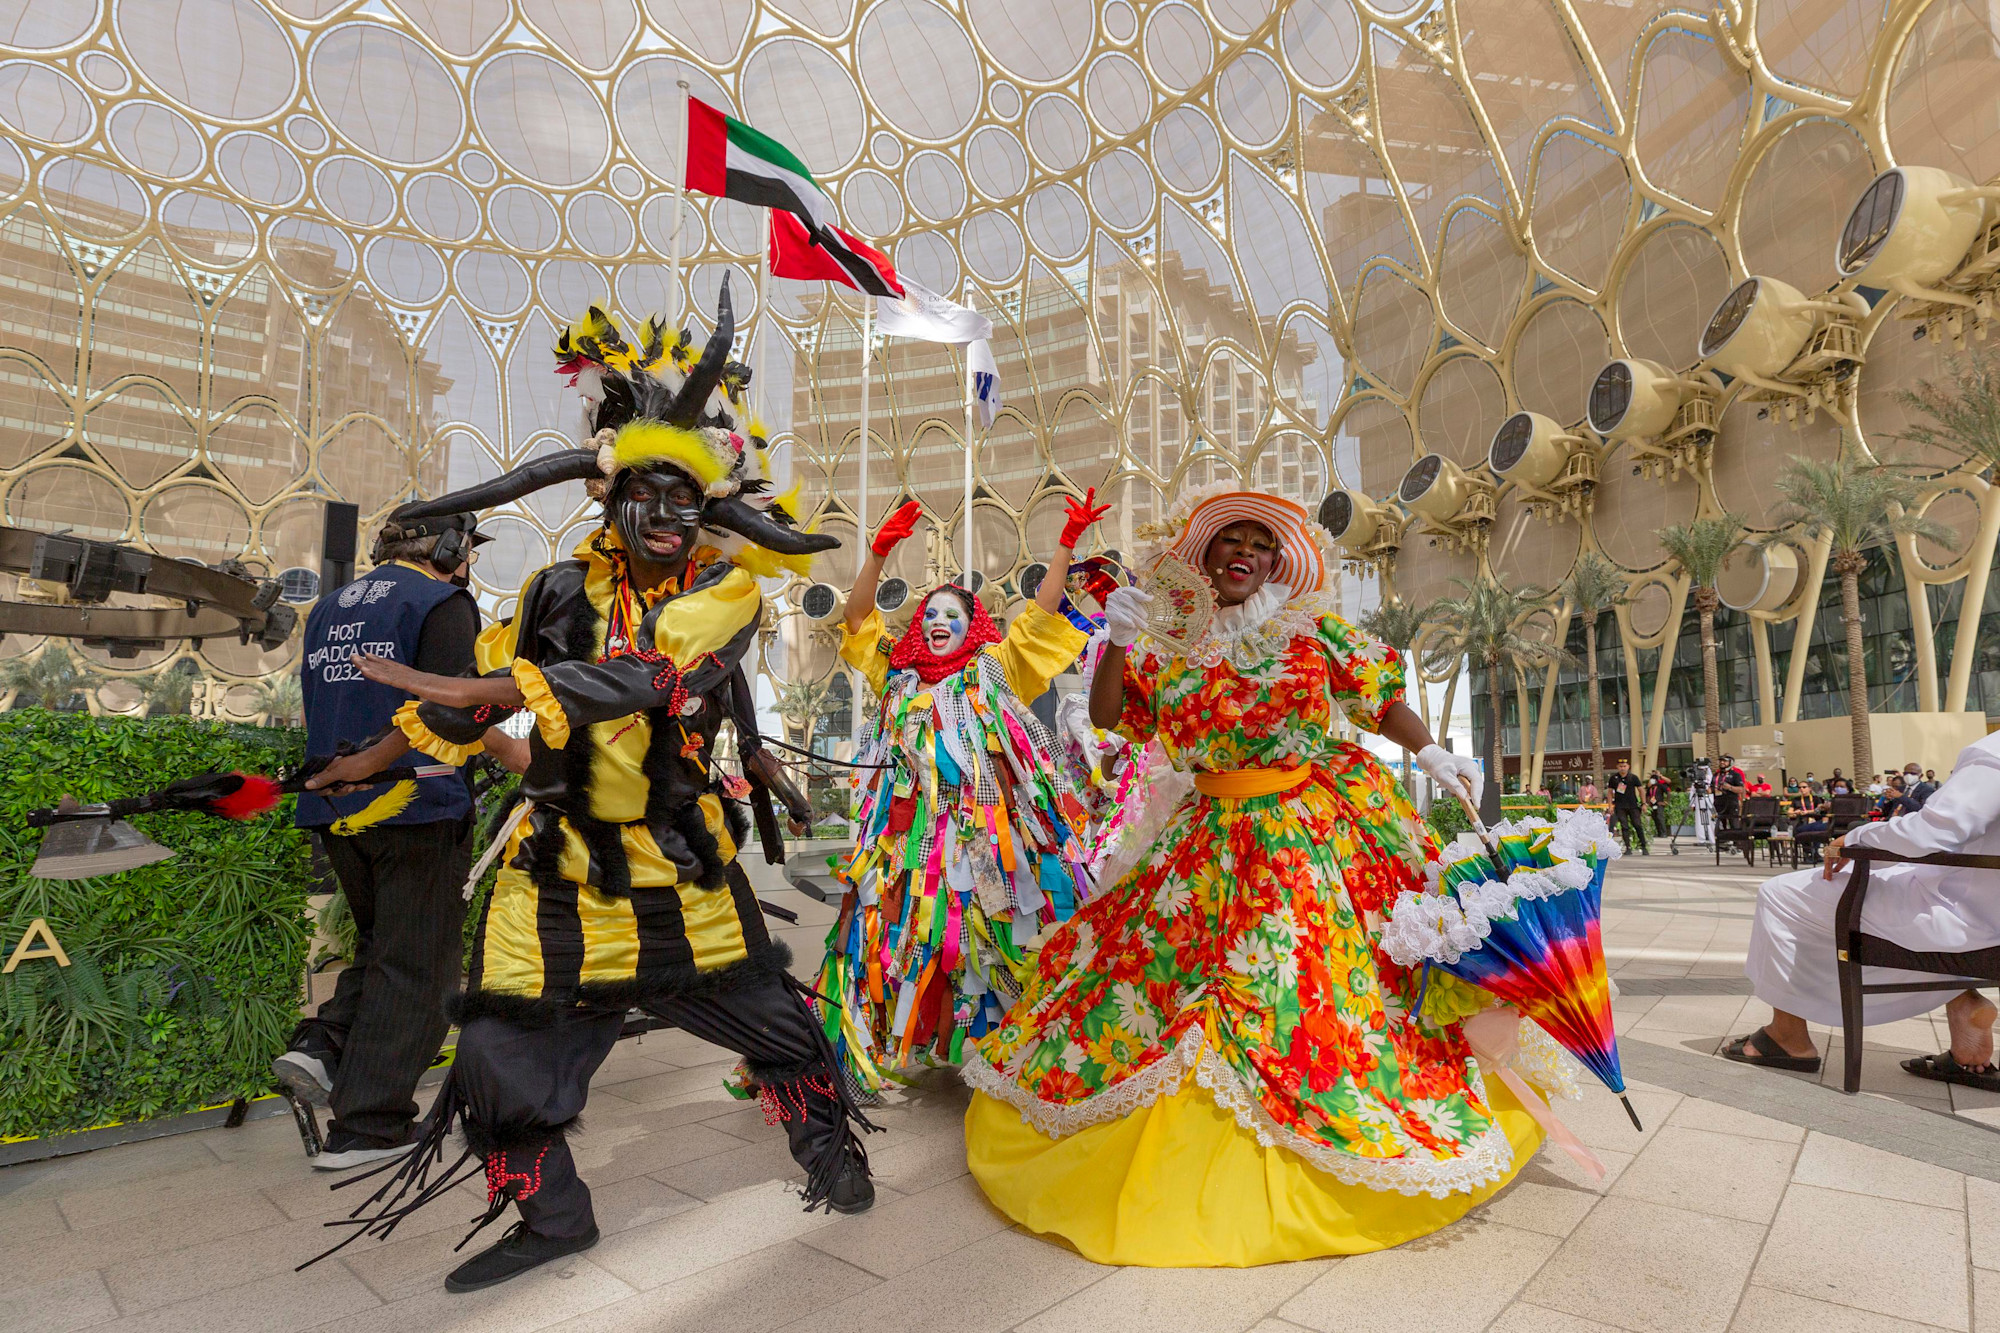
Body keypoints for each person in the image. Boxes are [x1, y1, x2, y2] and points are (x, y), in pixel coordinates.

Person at [307, 285, 874, 1293]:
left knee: (779, 1029)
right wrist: (388, 755)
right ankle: (553, 1217)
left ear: (705, 510)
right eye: (643, 494)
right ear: (607, 500)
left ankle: (829, 1148)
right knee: (492, 1051)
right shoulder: (550, 591)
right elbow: (489, 715)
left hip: (682, 865)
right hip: (559, 871)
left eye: (684, 498)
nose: (665, 513)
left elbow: (656, 674)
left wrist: (484, 689)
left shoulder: (725, 588)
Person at [959, 485, 1547, 1267]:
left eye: (1257, 543)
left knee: (1311, 990)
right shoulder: (1170, 644)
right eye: (1226, 541)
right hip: (1206, 839)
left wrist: (1432, 753)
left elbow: (1379, 702)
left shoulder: (1310, 631)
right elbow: (1107, 718)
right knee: (1158, 985)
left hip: (1312, 835)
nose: (1242, 552)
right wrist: (1117, 643)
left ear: (1275, 560)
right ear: (1201, 561)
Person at [812, 494, 1096, 1094]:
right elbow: (859, 622)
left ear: (974, 627)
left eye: (953, 615)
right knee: (895, 941)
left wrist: (1066, 542)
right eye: (931, 615)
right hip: (905, 849)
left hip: (985, 846)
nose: (939, 623)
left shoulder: (997, 668)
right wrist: (877, 554)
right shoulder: (898, 673)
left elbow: (1040, 617)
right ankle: (892, 1042)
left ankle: (1009, 1047)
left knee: (989, 943)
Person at [272, 512, 524, 1171]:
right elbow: (449, 710)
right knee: (423, 969)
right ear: (447, 548)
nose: (469, 559)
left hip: (334, 808)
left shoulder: (329, 608)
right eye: (466, 548)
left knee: (389, 948)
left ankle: (321, 1044)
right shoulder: (442, 601)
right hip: (414, 802)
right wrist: (517, 749)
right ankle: (369, 1127)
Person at [1728, 730, 2000, 1084]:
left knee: (1781, 894)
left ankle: (1786, 1036)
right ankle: (1964, 1007)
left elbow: (1935, 831)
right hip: (1986, 911)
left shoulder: (1994, 756)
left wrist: (1854, 839)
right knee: (1885, 892)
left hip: (1965, 919)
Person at [1605, 758, 1649, 855]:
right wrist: (1610, 806)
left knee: (1637, 825)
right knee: (1624, 827)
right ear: (1617, 767)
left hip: (1633, 805)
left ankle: (1644, 846)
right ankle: (1628, 848)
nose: (1623, 768)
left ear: (1628, 767)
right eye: (1621, 766)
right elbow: (1609, 792)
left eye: (1624, 766)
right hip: (1620, 806)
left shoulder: (1633, 777)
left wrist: (1644, 803)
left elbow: (1641, 790)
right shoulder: (1614, 778)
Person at [1648, 768, 1672, 837]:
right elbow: (1647, 795)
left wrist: (1666, 802)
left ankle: (1664, 833)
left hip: (1659, 804)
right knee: (1655, 818)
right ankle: (1659, 832)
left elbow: (1668, 792)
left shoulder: (1660, 785)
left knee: (1660, 817)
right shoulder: (1650, 787)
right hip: (1652, 804)